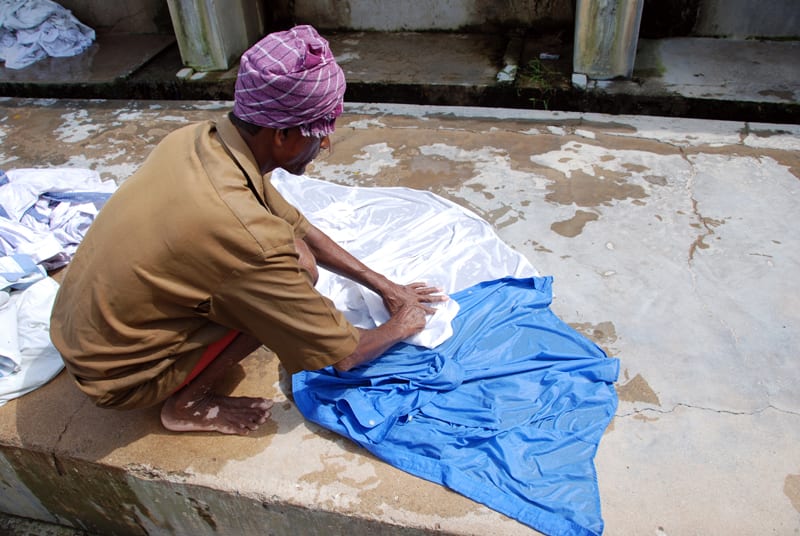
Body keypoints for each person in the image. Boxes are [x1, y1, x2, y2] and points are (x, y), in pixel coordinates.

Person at [49, 25, 446, 436]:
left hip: (76, 330)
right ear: (282, 135)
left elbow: (297, 226)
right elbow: (344, 354)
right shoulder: (244, 236)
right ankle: (189, 403)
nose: (325, 145)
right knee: (286, 284)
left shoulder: (197, 140)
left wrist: (384, 285)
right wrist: (401, 325)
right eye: (320, 133)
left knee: (294, 259)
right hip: (119, 377)